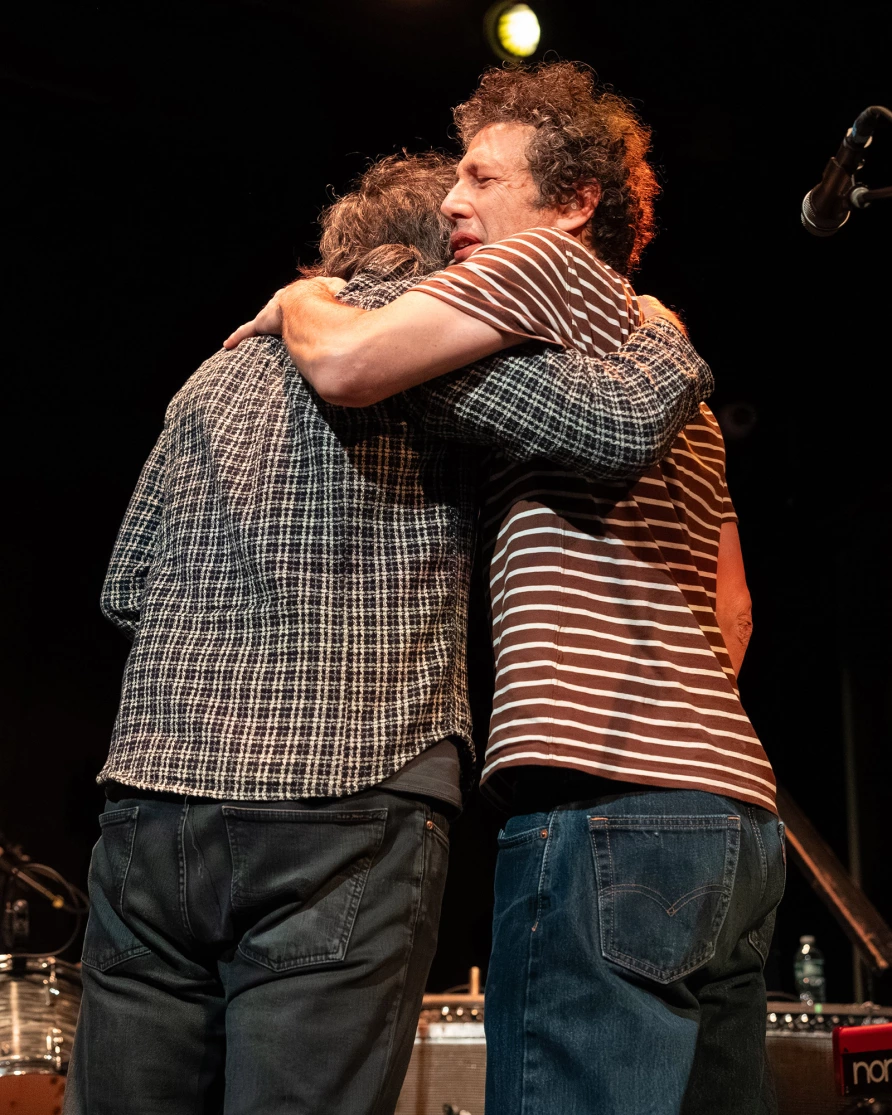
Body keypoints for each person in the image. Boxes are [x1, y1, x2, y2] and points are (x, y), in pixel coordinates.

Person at [65, 148, 712, 1115]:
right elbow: (621, 424)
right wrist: (659, 325)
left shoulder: (212, 375)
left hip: (154, 809)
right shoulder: (435, 361)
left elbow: (124, 588)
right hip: (349, 794)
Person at [241, 62, 785, 1115]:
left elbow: (349, 364)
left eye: (483, 178)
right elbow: (736, 611)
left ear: (574, 202)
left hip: (602, 805)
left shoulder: (538, 267)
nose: (454, 202)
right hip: (731, 813)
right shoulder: (654, 345)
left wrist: (306, 298)